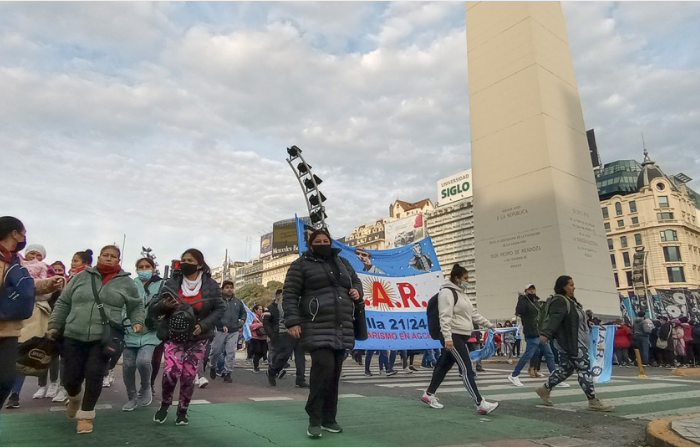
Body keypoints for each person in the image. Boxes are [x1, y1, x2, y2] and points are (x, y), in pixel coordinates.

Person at [46, 245, 145, 434]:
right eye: (105, 255)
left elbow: (136, 305)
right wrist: (54, 325)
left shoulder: (126, 282)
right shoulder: (81, 277)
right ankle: (75, 397)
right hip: (73, 334)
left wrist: (137, 321)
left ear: (118, 260)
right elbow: (64, 302)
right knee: (70, 378)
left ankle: (86, 414)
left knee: (95, 374)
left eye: (113, 256)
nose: (109, 258)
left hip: (104, 338)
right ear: (99, 257)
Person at [282, 227, 364, 438]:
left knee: (335, 373)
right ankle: (314, 418)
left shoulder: (343, 263)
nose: (321, 243)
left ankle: (330, 418)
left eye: (324, 240)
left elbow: (355, 281)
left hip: (342, 324)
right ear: (310, 244)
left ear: (331, 242)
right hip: (316, 324)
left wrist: (357, 291)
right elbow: (290, 294)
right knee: (322, 369)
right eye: (316, 241)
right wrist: (292, 321)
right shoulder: (300, 265)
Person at [149, 248, 224, 426]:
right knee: (171, 373)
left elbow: (220, 308)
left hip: (197, 337)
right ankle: (165, 405)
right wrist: (164, 306)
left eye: (189, 260)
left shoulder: (211, 285)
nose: (185, 263)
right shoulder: (171, 283)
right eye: (183, 259)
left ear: (199, 264)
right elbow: (154, 308)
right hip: (173, 334)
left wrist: (203, 325)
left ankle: (183, 410)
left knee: (189, 375)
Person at [421, 263, 498, 415]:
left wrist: (489, 325)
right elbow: (445, 316)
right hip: (453, 336)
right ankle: (480, 402)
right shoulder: (447, 293)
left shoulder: (462, 294)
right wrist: (448, 338)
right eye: (465, 278)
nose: (467, 281)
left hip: (460, 336)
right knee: (466, 368)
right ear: (456, 278)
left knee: (444, 365)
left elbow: (473, 314)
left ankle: (429, 394)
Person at [1, 217, 61, 411]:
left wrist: (49, 284)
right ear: (14, 233)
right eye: (23, 233)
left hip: (10, 330)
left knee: (6, 379)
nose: (24, 237)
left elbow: (24, 286)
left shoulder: (15, 261)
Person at [536, 275, 613, 412]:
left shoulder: (571, 302)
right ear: (563, 286)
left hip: (576, 342)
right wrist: (546, 334)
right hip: (572, 343)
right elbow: (555, 318)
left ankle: (544, 389)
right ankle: (593, 401)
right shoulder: (560, 300)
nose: (574, 287)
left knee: (565, 369)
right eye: (571, 285)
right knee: (584, 368)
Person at [121, 257, 162, 411]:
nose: (144, 269)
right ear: (136, 269)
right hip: (130, 331)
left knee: (144, 361)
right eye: (140, 267)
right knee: (128, 365)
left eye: (147, 266)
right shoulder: (130, 284)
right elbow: (123, 305)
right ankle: (131, 397)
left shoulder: (162, 284)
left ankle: (146, 386)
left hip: (151, 332)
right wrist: (126, 321)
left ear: (153, 268)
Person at [507, 284, 559, 388]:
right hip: (531, 332)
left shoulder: (536, 301)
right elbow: (519, 311)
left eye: (533, 289)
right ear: (526, 290)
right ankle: (514, 375)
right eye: (529, 289)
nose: (532, 291)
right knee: (528, 354)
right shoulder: (524, 301)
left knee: (549, 354)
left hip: (539, 332)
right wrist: (521, 298)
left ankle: (555, 378)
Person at [208, 280, 246, 383]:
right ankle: (212, 366)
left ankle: (228, 372)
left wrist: (242, 320)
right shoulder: (218, 301)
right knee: (216, 351)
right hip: (220, 331)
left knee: (231, 352)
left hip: (233, 331)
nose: (229, 289)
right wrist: (221, 324)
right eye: (227, 287)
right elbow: (214, 314)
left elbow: (243, 313)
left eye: (231, 287)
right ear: (222, 289)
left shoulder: (238, 302)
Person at [248, 305, 268, 373]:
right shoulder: (252, 316)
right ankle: (256, 366)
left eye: (262, 309)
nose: (261, 311)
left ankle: (255, 360)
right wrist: (260, 324)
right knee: (258, 351)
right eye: (259, 309)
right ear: (255, 310)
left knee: (263, 352)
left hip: (263, 337)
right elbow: (250, 326)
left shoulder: (263, 316)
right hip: (255, 337)